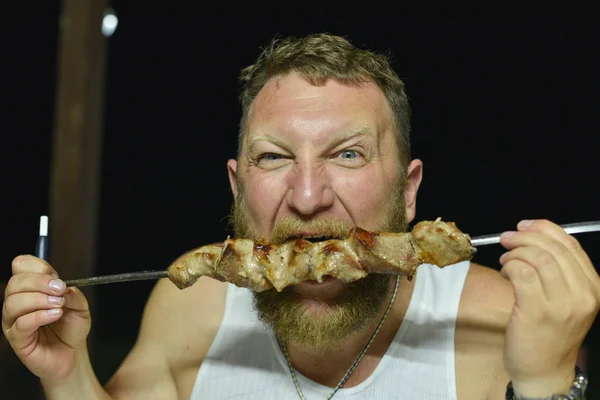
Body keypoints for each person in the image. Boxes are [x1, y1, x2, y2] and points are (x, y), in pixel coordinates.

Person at [2, 33, 598, 400]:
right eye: (273, 156)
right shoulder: (191, 310)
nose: (308, 195)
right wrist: (66, 374)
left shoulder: (503, 324)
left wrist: (546, 385)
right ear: (237, 188)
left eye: (348, 154)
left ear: (409, 191)